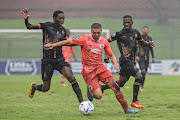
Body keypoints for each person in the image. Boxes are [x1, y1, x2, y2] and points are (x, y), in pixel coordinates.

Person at [45, 23, 139, 114]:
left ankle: (127, 109)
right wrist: (53, 45)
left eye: (98, 32)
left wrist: (115, 65)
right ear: (91, 31)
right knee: (98, 96)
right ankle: (90, 89)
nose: (96, 34)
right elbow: (69, 41)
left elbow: (111, 54)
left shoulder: (104, 41)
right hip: (88, 71)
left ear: (101, 31)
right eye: (94, 32)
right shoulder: (84, 39)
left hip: (100, 68)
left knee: (116, 87)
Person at [21, 8, 83, 103]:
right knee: (46, 88)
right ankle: (34, 87)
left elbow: (66, 42)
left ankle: (82, 102)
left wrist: (80, 43)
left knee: (71, 77)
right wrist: (26, 20)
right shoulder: (46, 25)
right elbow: (29, 26)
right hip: (47, 61)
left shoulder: (63, 30)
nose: (62, 20)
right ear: (54, 18)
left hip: (59, 59)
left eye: (63, 18)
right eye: (60, 18)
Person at [104, 15, 154, 109]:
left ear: (132, 23)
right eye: (125, 22)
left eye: (128, 22)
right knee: (139, 76)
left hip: (131, 61)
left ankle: (102, 88)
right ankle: (135, 101)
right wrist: (107, 55)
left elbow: (142, 42)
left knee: (120, 84)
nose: (126, 24)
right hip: (125, 61)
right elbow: (106, 42)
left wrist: (148, 43)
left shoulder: (136, 32)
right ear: (123, 23)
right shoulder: (119, 34)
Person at [135, 26, 155, 91]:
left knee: (144, 73)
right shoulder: (140, 38)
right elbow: (137, 47)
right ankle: (139, 85)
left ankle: (141, 86)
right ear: (142, 30)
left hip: (147, 58)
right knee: (143, 71)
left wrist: (153, 57)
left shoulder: (150, 38)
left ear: (148, 31)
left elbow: (151, 48)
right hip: (141, 58)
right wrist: (136, 55)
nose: (145, 30)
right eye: (144, 29)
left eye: (146, 29)